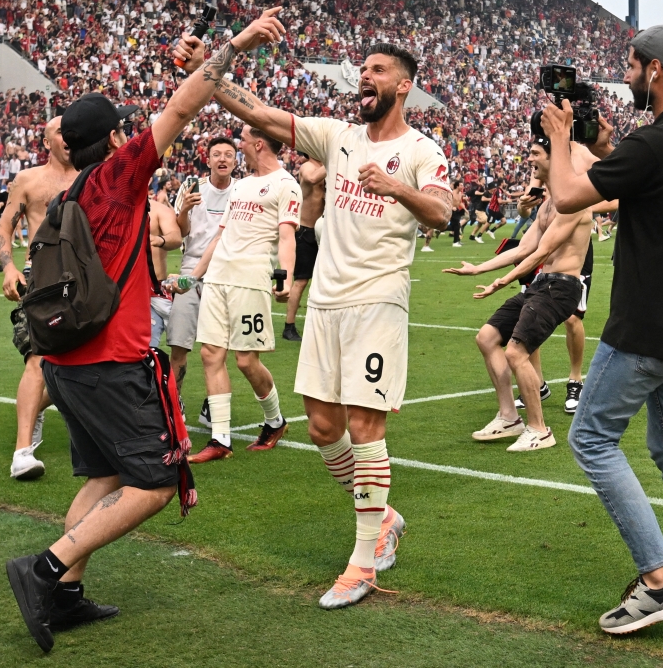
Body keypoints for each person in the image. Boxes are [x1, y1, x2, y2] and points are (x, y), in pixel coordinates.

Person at [5, 9, 286, 654]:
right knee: (157, 482)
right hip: (111, 361)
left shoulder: (72, 192)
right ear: (110, 140)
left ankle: (66, 596)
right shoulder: (116, 179)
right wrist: (237, 42)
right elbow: (184, 107)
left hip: (67, 364)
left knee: (103, 478)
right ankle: (44, 569)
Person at [175, 36, 454, 608]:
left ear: (404, 85)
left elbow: (443, 211)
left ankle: (362, 562)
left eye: (378, 70)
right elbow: (253, 110)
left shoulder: (423, 150)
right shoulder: (337, 136)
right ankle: (385, 517)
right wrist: (211, 65)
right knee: (325, 429)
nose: (364, 77)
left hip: (379, 301)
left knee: (365, 426)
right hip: (325, 303)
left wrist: (395, 186)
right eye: (362, 71)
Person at [542, 25, 663, 634]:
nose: (624, 75)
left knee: (592, 439)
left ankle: (660, 581)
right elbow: (648, 184)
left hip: (647, 328)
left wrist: (560, 140)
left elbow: (569, 196)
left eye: (630, 66)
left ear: (655, 72)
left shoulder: (653, 143)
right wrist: (596, 148)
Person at [443, 127, 596, 452]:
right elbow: (523, 248)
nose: (530, 160)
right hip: (543, 284)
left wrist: (501, 282)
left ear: (555, 160)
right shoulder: (547, 205)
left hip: (563, 286)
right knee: (487, 338)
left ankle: (540, 430)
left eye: (536, 155)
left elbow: (541, 252)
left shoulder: (574, 203)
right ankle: (509, 417)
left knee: (515, 352)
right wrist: (478, 269)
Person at [180, 124, 299, 463]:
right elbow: (219, 237)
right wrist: (193, 277)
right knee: (210, 355)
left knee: (246, 360)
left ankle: (274, 421)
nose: (238, 143)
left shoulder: (285, 185)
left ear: (258, 144)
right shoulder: (242, 185)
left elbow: (287, 237)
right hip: (218, 277)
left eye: (243, 138)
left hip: (250, 278)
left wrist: (285, 278)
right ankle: (220, 439)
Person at [0, 117, 78, 481]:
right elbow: (3, 228)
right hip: (39, 275)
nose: (68, 135)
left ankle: (42, 406)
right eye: (60, 130)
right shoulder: (28, 179)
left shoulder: (93, 174)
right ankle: (22, 452)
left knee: (81, 366)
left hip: (83, 278)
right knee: (39, 359)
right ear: (46, 141)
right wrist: (9, 267)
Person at [168, 137, 237, 394]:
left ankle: (212, 406)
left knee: (218, 349)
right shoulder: (191, 185)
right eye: (216, 154)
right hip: (192, 266)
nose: (222, 159)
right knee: (179, 345)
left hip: (225, 270)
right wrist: (184, 209)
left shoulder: (241, 190)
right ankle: (175, 407)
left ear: (235, 161)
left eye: (228, 155)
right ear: (207, 160)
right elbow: (181, 231)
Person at [283, 156, 325, 341]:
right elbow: (311, 179)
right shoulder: (309, 167)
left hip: (324, 230)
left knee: (324, 280)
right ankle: (289, 326)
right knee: (301, 281)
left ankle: (319, 323)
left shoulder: (327, 167)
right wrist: (335, 158)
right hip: (305, 230)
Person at [148, 196, 182, 348]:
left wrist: (158, 240)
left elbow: (176, 237)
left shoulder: (160, 210)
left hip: (153, 291)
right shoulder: (113, 208)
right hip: (121, 291)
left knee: (147, 350)